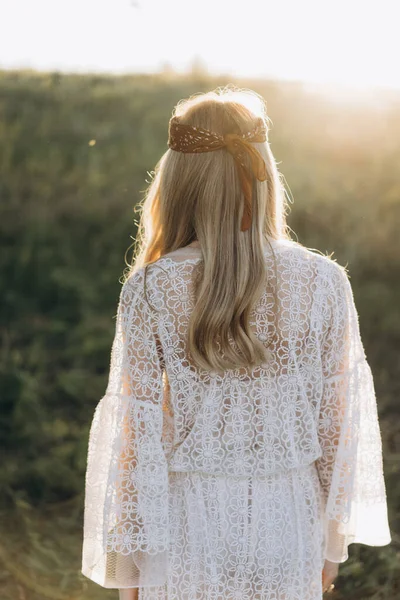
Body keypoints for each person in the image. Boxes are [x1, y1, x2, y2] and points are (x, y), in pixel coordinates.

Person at [81, 87, 391, 600]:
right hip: (291, 525)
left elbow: (133, 442)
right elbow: (341, 429)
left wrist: (128, 573)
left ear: (178, 180)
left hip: (187, 531)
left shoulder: (151, 288)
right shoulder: (325, 281)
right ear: (263, 172)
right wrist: (332, 549)